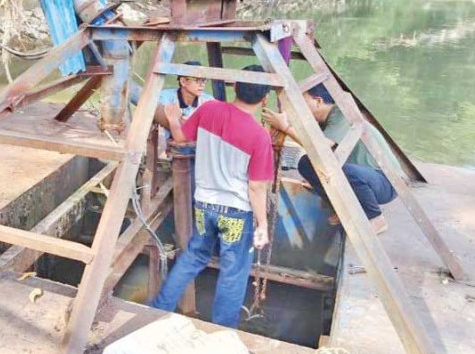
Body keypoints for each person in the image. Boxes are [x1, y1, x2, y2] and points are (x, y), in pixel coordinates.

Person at [150, 65, 274, 329]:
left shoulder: (209, 109)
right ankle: (222, 331)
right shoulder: (259, 136)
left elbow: (182, 138)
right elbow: (256, 187)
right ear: (265, 99)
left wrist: (173, 119)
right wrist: (262, 224)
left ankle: (158, 309)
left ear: (235, 87)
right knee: (234, 271)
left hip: (204, 204)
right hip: (236, 212)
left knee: (194, 256)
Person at [262, 83, 402, 234]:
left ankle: (375, 218)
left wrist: (285, 128)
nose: (299, 108)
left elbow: (322, 147)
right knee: (305, 163)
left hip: (386, 182)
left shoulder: (342, 114)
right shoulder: (323, 121)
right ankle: (343, 209)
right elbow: (312, 145)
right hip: (364, 176)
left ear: (318, 101)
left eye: (303, 102)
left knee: (347, 172)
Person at [130, 60, 214, 137]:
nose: (202, 84)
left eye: (204, 80)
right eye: (198, 80)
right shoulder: (165, 97)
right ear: (183, 81)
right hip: (171, 144)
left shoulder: (208, 101)